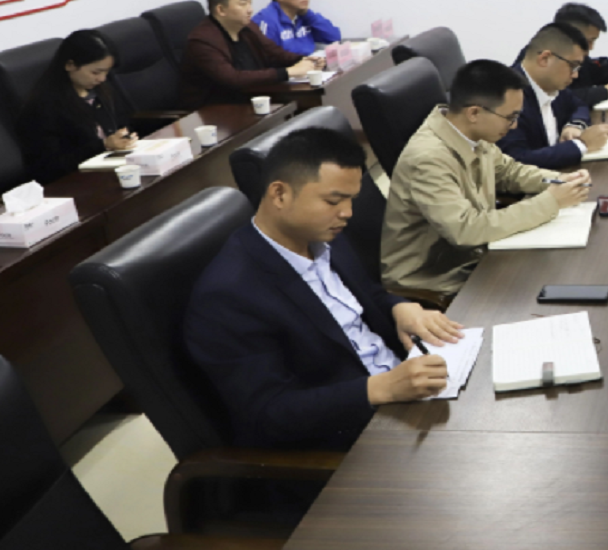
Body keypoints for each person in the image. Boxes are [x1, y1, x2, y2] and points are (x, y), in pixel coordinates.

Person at [185, 128, 464, 450]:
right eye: (334, 200)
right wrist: (380, 389)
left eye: (351, 199)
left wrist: (399, 307)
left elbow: (366, 295)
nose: (347, 213)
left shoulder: (323, 236)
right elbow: (267, 414)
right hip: (354, 433)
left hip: (407, 388)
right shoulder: (228, 296)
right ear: (280, 194)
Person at [382, 60, 592, 295]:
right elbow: (466, 229)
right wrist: (551, 201)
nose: (514, 126)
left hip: (473, 254)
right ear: (474, 112)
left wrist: (560, 180)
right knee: (539, 286)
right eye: (510, 117)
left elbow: (510, 172)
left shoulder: (472, 133)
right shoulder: (428, 158)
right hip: (433, 274)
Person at [16, 29, 137, 184]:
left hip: (112, 171)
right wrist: (103, 146)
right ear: (70, 65)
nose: (102, 79)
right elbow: (49, 167)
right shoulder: (43, 106)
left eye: (106, 72)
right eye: (96, 72)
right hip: (74, 183)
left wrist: (125, 138)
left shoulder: (101, 91)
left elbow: (121, 123)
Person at [179, 0, 319, 108]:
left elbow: (274, 53)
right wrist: (288, 72)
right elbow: (232, 78)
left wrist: (305, 60)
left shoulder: (248, 27)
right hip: (217, 109)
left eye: (250, 3)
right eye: (243, 4)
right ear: (221, 9)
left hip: (253, 97)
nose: (250, 10)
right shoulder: (202, 40)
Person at [497, 23, 608, 169]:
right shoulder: (506, 96)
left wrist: (574, 125)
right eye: (573, 66)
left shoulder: (552, 85)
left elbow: (579, 104)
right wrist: (582, 144)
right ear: (545, 59)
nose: (575, 75)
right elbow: (516, 161)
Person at [520, 3, 608, 107]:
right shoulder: (542, 60)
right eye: (589, 41)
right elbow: (559, 99)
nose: (591, 47)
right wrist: (605, 92)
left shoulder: (575, 57)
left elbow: (603, 69)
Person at [252, 0, 342, 56]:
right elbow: (264, 58)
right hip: (290, 66)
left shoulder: (304, 16)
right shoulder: (266, 21)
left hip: (311, 63)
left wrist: (308, 15)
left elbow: (334, 37)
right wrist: (301, 63)